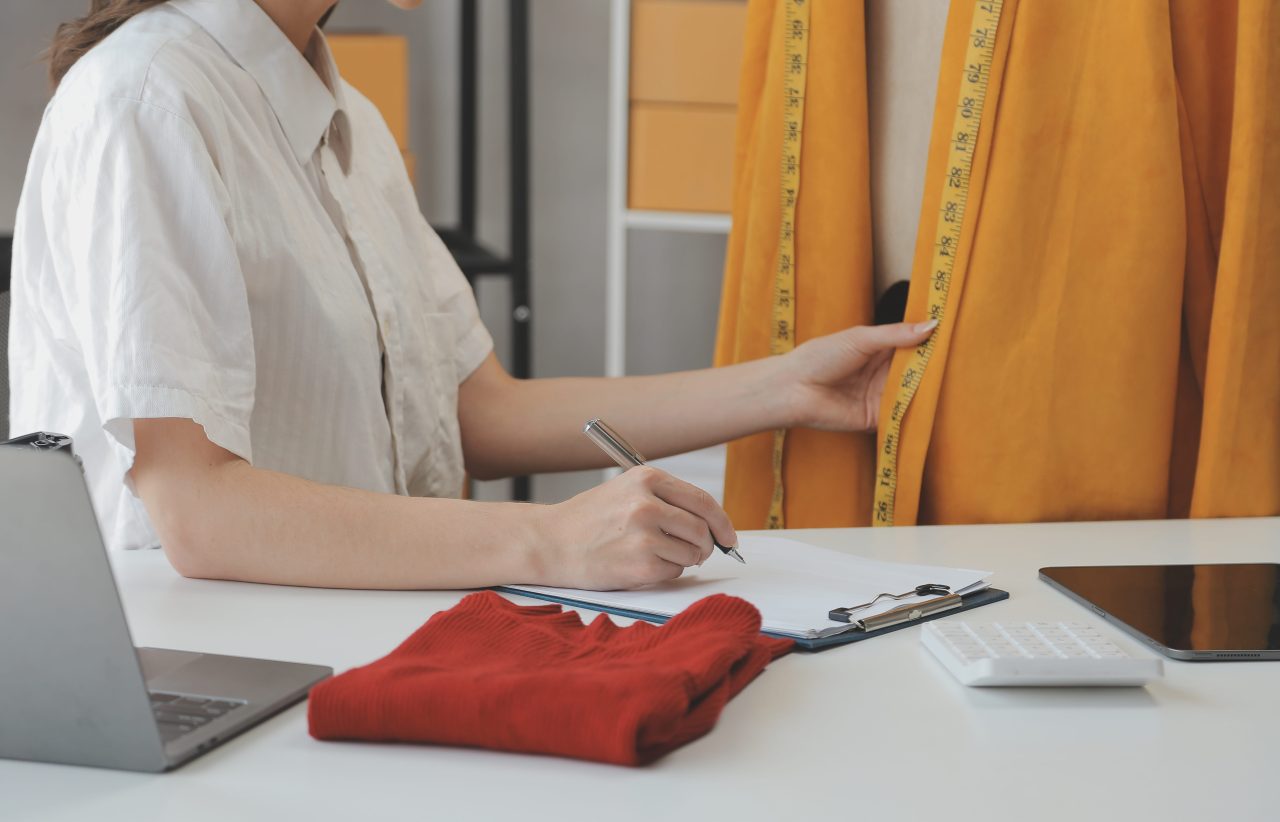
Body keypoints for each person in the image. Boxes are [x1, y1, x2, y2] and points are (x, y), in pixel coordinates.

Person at [8, 0, 935, 592]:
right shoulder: (144, 102)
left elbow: (479, 412)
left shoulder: (352, 123)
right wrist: (553, 542)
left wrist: (788, 389)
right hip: (204, 676)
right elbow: (199, 515)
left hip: (343, 654)